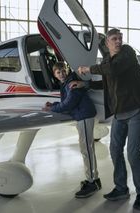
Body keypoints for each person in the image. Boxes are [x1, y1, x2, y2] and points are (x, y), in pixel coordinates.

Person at [72, 28, 140, 210]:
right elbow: (106, 81)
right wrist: (86, 83)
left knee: (132, 153)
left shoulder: (127, 53)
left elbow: (112, 70)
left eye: (120, 38)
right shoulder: (107, 60)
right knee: (115, 150)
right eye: (114, 39)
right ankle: (121, 188)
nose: (118, 41)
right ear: (107, 43)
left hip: (137, 110)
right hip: (120, 113)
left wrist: (88, 69)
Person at [43, 61, 101, 198]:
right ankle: (94, 179)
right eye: (58, 72)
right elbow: (67, 102)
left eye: (63, 70)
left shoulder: (71, 83)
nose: (62, 74)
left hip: (84, 116)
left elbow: (69, 104)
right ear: (55, 75)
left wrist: (51, 108)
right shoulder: (67, 83)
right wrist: (54, 104)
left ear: (67, 70)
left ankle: (92, 182)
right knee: (87, 148)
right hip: (82, 116)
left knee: (86, 149)